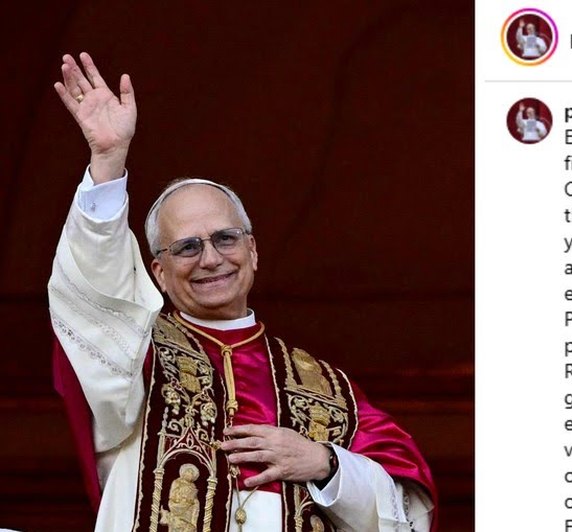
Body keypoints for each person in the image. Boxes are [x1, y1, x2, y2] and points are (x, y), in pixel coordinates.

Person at [48, 53, 436, 532]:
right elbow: (94, 297)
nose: (211, 259)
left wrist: (325, 463)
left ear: (252, 251)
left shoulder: (325, 385)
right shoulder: (134, 357)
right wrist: (108, 162)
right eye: (187, 247)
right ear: (159, 273)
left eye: (225, 239)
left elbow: (408, 510)